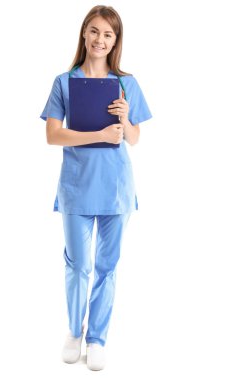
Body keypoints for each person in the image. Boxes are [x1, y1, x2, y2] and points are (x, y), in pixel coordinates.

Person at [40, 5, 152, 371]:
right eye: (94, 31)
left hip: (116, 187)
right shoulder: (63, 82)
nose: (100, 39)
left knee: (107, 265)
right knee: (78, 264)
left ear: (116, 40)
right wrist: (99, 135)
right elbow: (53, 135)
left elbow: (133, 139)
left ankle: (97, 338)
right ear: (83, 34)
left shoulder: (127, 83)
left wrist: (123, 119)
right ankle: (75, 330)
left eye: (108, 33)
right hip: (76, 187)